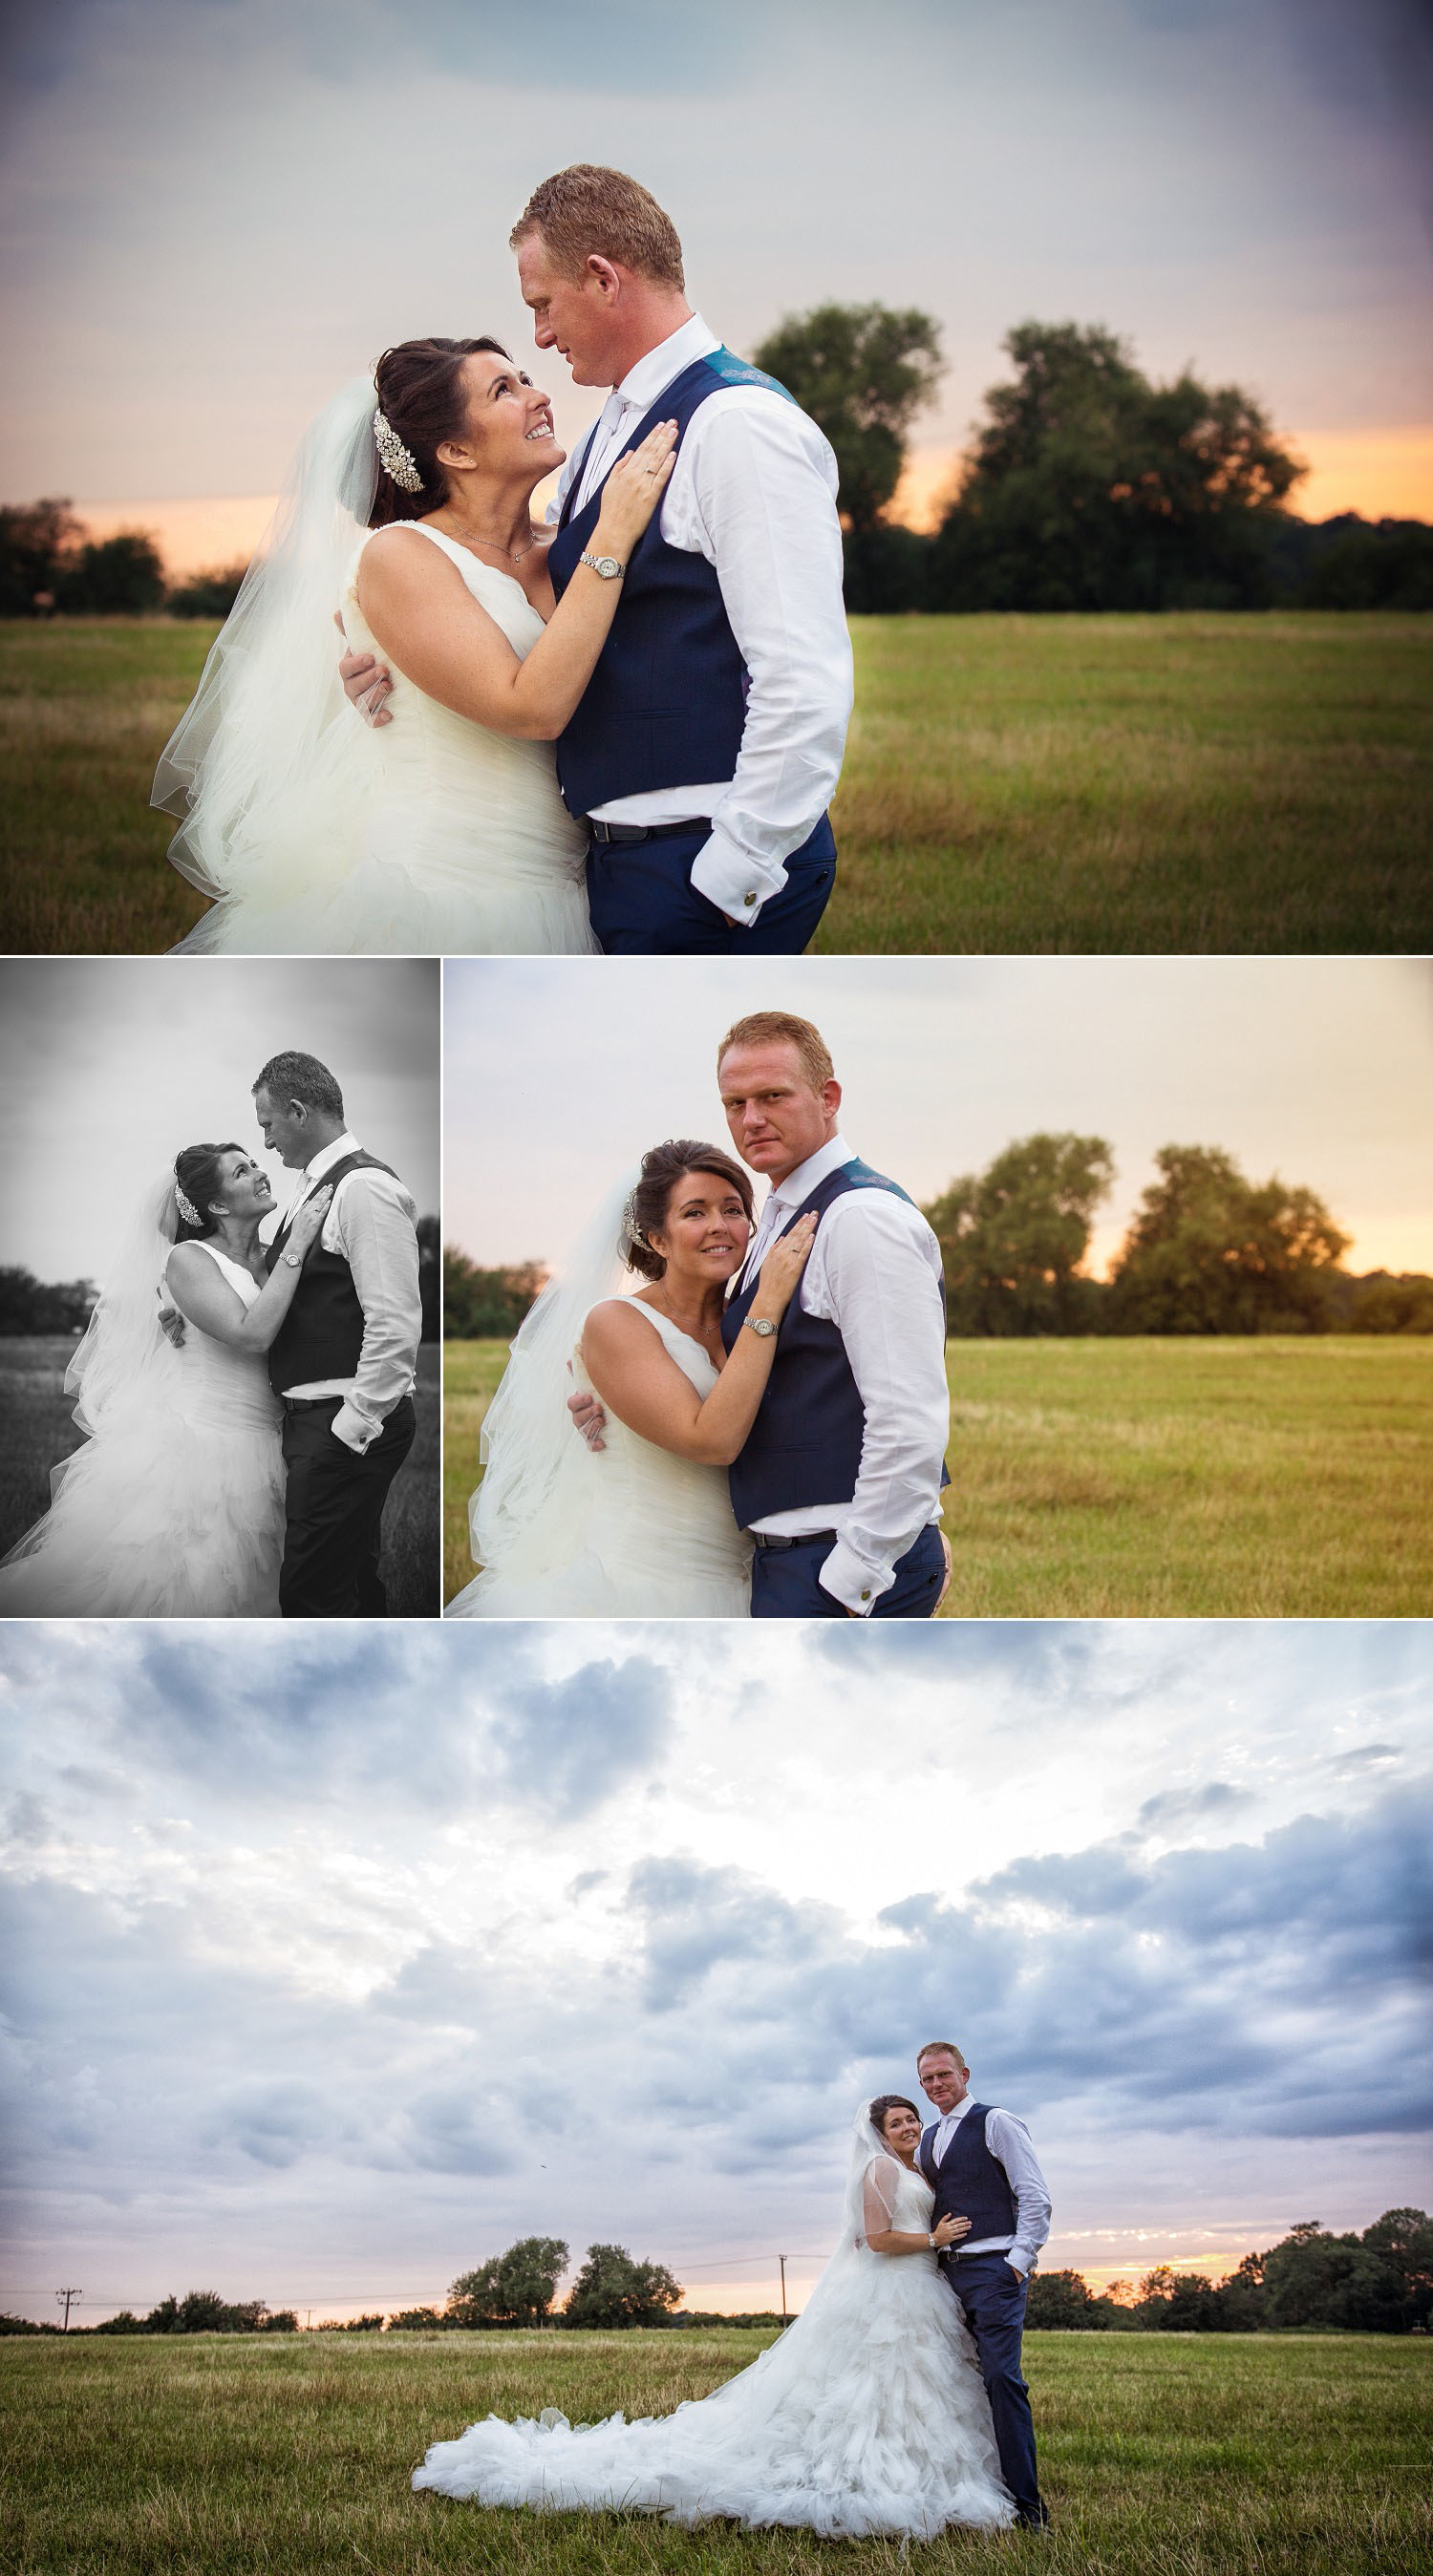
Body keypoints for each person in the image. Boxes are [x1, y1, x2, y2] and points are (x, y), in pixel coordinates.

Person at [342, 165, 853, 956]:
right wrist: (372, 656)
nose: (540, 337)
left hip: (698, 858)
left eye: (542, 305)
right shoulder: (606, 436)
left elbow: (803, 671)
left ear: (603, 278)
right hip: (611, 866)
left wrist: (739, 865)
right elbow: (500, 586)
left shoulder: (737, 426)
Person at [154, 339, 675, 954]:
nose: (540, 398)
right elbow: (531, 707)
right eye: (503, 391)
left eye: (526, 378)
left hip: (574, 885)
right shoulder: (400, 554)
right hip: (440, 887)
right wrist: (614, 533)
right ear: (454, 451)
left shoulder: (566, 548)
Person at [411, 2096, 1015, 2538]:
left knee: (923, 2392)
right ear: (879, 2133)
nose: (909, 2128)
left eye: (912, 2119)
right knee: (871, 2391)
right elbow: (874, 2242)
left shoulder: (915, 2169)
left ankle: (923, 2471)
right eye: (898, 2122)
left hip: (922, 2292)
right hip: (892, 2290)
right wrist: (932, 2239)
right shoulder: (880, 2169)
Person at [566, 1011, 953, 1619]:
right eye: (734, 1102)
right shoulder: (779, 1216)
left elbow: (908, 1416)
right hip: (774, 1560)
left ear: (828, 1098)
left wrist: (863, 1569)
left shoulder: (859, 1218)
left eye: (772, 1096)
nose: (751, 1119)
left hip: (828, 1564)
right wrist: (601, 1395)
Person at [446, 1139, 815, 1617]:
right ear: (657, 1239)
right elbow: (714, 1441)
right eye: (695, 1213)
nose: (720, 1227)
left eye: (733, 1209)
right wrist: (768, 1303)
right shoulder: (616, 1322)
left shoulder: (740, 1321)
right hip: (638, 1584)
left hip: (748, 1581)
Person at [0, 1147, 331, 1618]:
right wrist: (298, 1245)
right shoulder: (189, 1260)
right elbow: (251, 1334)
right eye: (243, 1170)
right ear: (216, 1206)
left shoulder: (272, 1253)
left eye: (254, 1162)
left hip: (277, 1440)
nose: (260, 1172)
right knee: (184, 1583)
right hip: (207, 1445)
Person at [246, 1052, 422, 1617]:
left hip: (340, 1421)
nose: (267, 1142)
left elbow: (393, 1322)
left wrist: (354, 1425)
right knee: (346, 1581)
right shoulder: (311, 1188)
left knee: (310, 1595)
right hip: (316, 1421)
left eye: (267, 1125)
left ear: (297, 1111)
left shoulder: (362, 1188)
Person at [917, 2040, 1053, 2532]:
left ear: (965, 2073)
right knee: (951, 2385)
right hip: (945, 2276)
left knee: (1001, 2379)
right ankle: (968, 2488)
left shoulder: (997, 2122)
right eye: (927, 2079)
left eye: (944, 2075)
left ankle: (1029, 2507)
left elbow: (1035, 2196)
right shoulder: (928, 2137)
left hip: (995, 2271)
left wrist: (1017, 2264)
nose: (936, 2085)